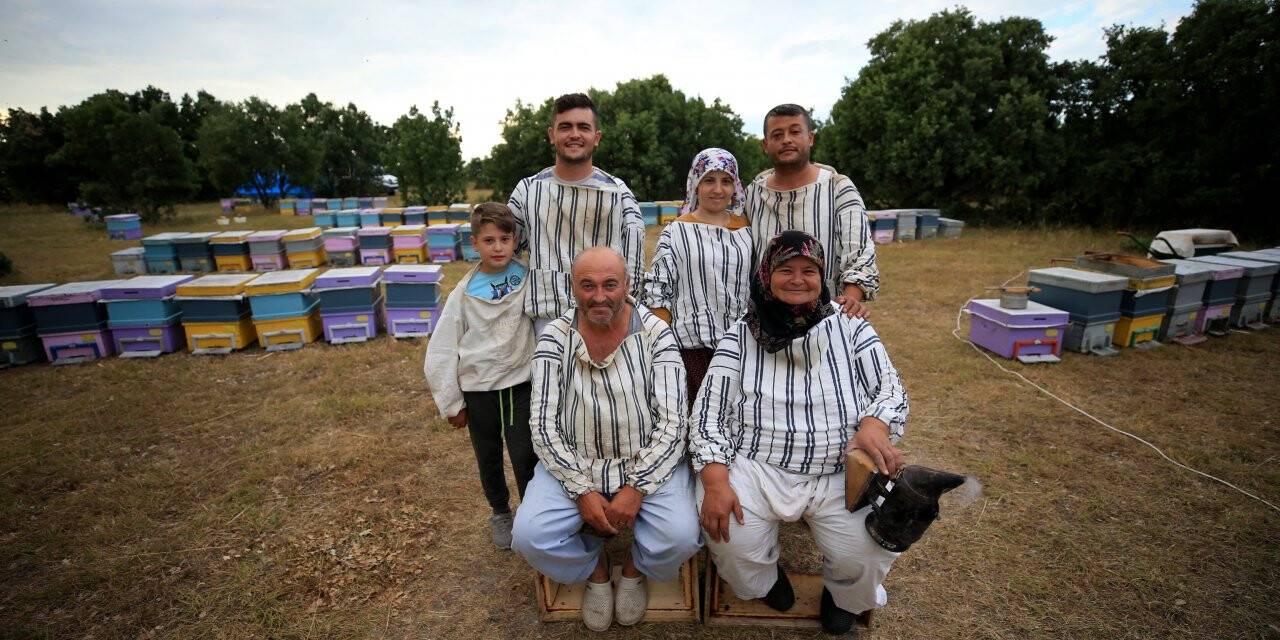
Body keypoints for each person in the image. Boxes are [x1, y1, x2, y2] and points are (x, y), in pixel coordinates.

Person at [690, 231, 908, 634]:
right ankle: (766, 581)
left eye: (809, 270)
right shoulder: (740, 335)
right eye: (785, 269)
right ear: (765, 276)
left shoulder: (851, 325)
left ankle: (843, 595)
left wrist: (874, 424)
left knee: (867, 550)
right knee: (729, 540)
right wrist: (716, 479)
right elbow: (709, 413)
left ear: (822, 277)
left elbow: (889, 386)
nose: (797, 279)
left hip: (839, 468)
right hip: (756, 465)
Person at [511, 247, 700, 632]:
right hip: (575, 460)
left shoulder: (655, 333)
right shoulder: (554, 338)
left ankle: (634, 569)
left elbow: (673, 422)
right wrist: (581, 489)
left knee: (682, 536)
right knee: (529, 537)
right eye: (588, 286)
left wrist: (637, 488)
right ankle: (595, 569)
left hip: (646, 461)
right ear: (572, 288)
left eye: (610, 285)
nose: (599, 296)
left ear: (628, 285)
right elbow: (543, 424)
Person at [423, 202, 538, 550]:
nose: (498, 247)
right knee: (487, 455)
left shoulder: (528, 278)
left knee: (526, 455)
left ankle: (534, 514)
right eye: (490, 240)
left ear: (515, 239)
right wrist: (450, 402)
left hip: (520, 385)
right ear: (475, 243)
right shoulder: (463, 293)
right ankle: (501, 512)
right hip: (480, 391)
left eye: (505, 239)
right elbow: (442, 348)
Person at [507, 93, 646, 336]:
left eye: (583, 127)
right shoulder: (528, 190)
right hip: (547, 323)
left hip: (606, 322)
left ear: (597, 137)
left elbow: (632, 268)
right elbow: (507, 253)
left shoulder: (618, 192)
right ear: (552, 135)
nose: (574, 134)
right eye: (565, 127)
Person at [744, 104, 879, 318]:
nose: (787, 139)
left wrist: (848, 302)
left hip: (826, 318)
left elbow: (860, 253)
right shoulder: (752, 195)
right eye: (777, 134)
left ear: (810, 138)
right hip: (765, 323)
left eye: (795, 131)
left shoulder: (838, 187)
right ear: (765, 145)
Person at [642, 147, 753, 408]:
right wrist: (663, 346)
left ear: (735, 185)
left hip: (741, 347)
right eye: (709, 180)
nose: (718, 189)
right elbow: (659, 290)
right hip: (692, 349)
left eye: (726, 181)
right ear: (695, 184)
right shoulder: (677, 231)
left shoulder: (748, 232)